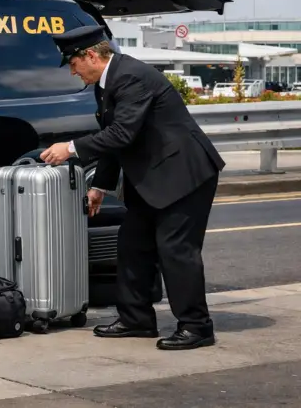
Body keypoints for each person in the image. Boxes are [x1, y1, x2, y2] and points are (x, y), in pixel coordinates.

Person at [40, 25, 225, 351]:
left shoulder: (131, 77)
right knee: (132, 245)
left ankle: (196, 326)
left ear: (91, 56)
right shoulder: (104, 83)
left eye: (72, 63)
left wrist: (70, 148)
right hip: (153, 177)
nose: (71, 71)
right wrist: (99, 187)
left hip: (184, 174)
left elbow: (122, 134)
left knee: (176, 250)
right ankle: (136, 318)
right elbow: (115, 141)